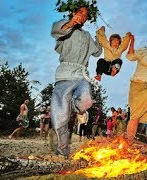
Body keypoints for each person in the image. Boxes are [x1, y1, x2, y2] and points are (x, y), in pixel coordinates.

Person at [50, 3, 102, 156]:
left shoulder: (86, 35)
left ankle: (71, 107)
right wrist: (71, 22)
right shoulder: (64, 28)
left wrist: (100, 37)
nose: (83, 17)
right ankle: (62, 151)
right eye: (81, 13)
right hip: (64, 75)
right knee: (60, 118)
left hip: (81, 74)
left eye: (86, 15)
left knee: (86, 102)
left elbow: (97, 52)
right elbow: (56, 31)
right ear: (73, 12)